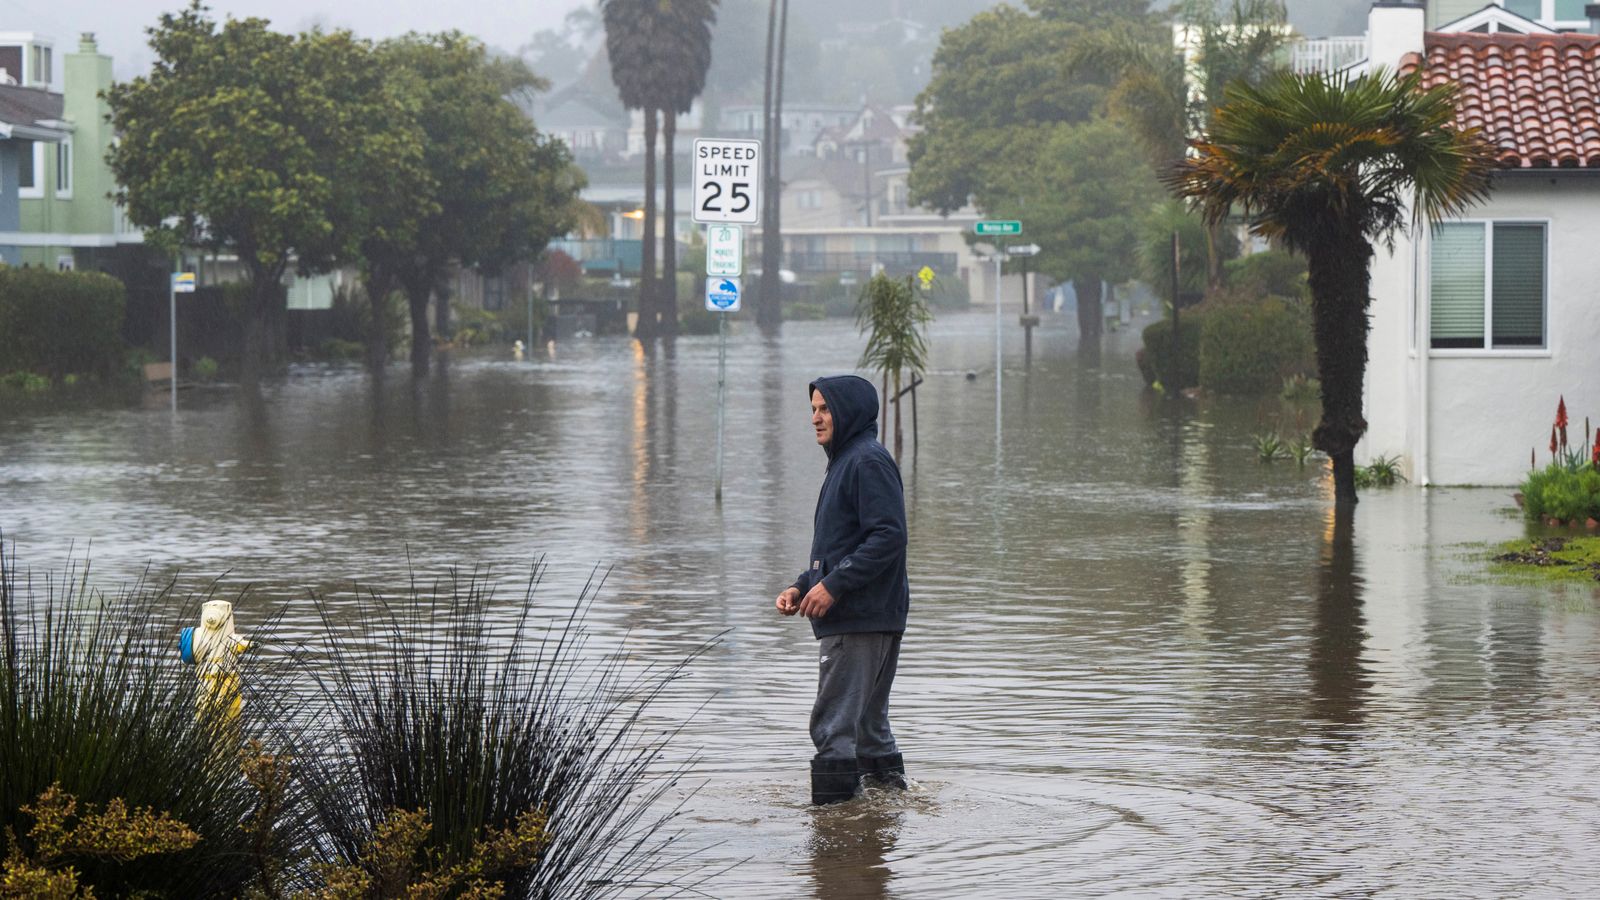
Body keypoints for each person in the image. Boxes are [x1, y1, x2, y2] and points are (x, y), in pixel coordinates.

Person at [776, 374, 910, 805]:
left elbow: (889, 536)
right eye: (813, 409)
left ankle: (834, 842)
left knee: (833, 729)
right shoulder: (848, 461)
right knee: (869, 731)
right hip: (870, 614)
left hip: (857, 618)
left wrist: (833, 586)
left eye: (825, 408)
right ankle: (884, 822)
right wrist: (803, 585)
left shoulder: (864, 461)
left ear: (848, 411)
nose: (815, 418)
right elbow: (844, 544)